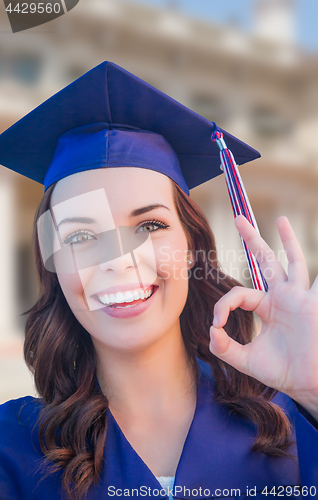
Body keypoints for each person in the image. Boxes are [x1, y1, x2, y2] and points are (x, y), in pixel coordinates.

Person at [0, 61, 317, 500]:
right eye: (81, 235)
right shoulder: (12, 449)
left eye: (149, 225)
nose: (118, 260)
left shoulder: (293, 424)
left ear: (191, 248)